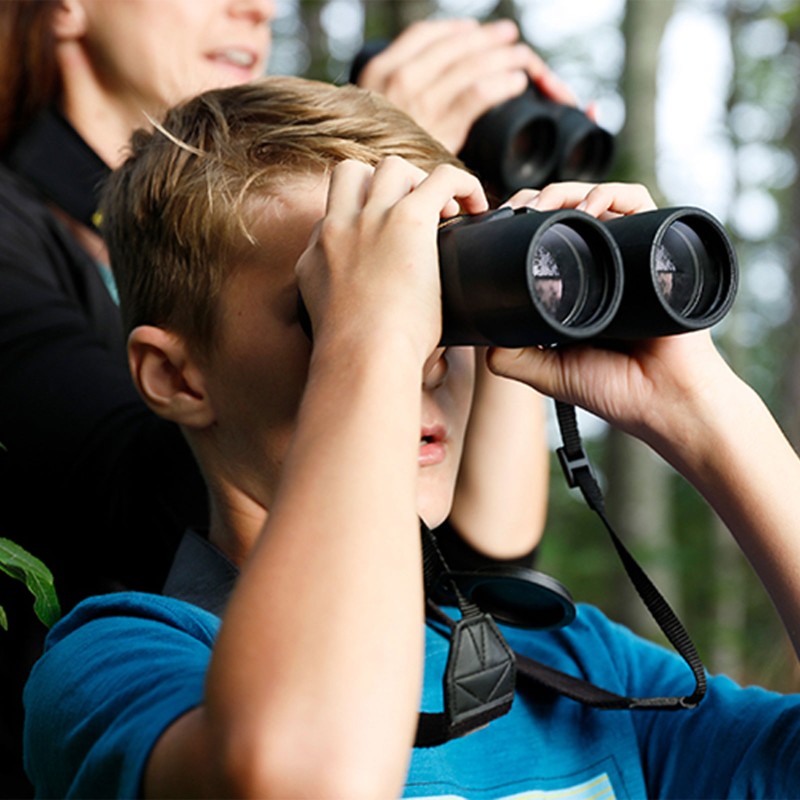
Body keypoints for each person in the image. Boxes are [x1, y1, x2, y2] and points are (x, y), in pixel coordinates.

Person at [23, 76, 800, 798]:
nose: (427, 356)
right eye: (325, 304)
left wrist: (706, 414)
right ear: (177, 377)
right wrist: (370, 340)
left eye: (441, 301)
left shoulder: (571, 668)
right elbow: (303, 772)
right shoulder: (121, 662)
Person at [1, 3, 560, 792]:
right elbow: (138, 504)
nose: (256, 8)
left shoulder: (581, 660)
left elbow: (477, 555)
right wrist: (363, 271)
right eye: (311, 304)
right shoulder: (13, 227)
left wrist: (494, 252)